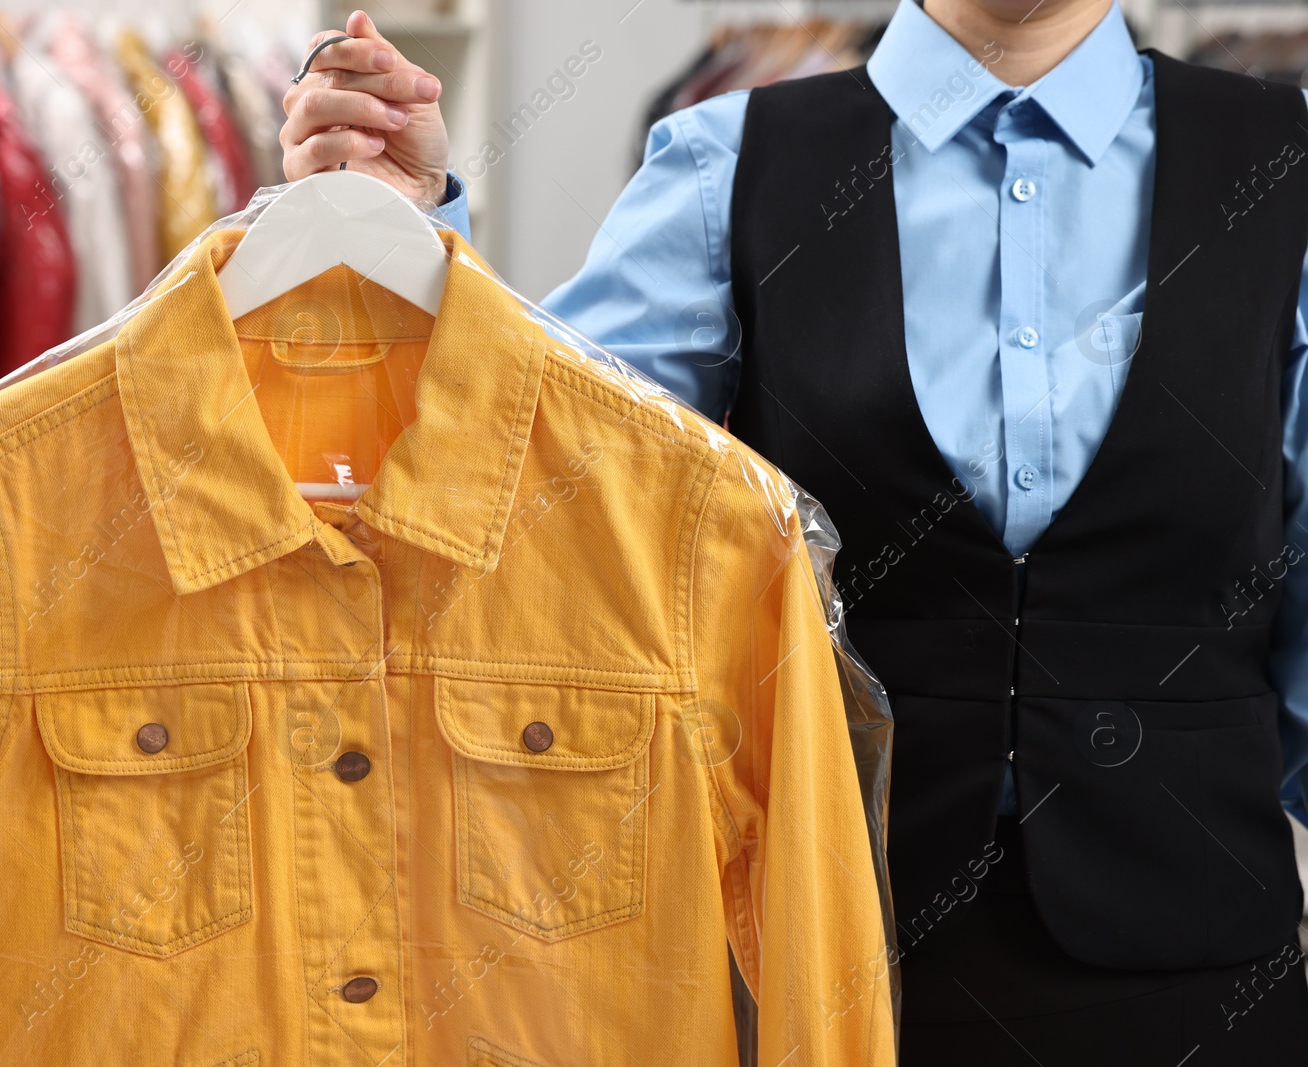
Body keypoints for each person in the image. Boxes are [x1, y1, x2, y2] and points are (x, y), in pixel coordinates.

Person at [281, 2, 1308, 1062]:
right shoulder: (729, 165)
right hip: (827, 960)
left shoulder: (1283, 163)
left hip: (1203, 973)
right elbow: (526, 479)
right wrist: (402, 233)